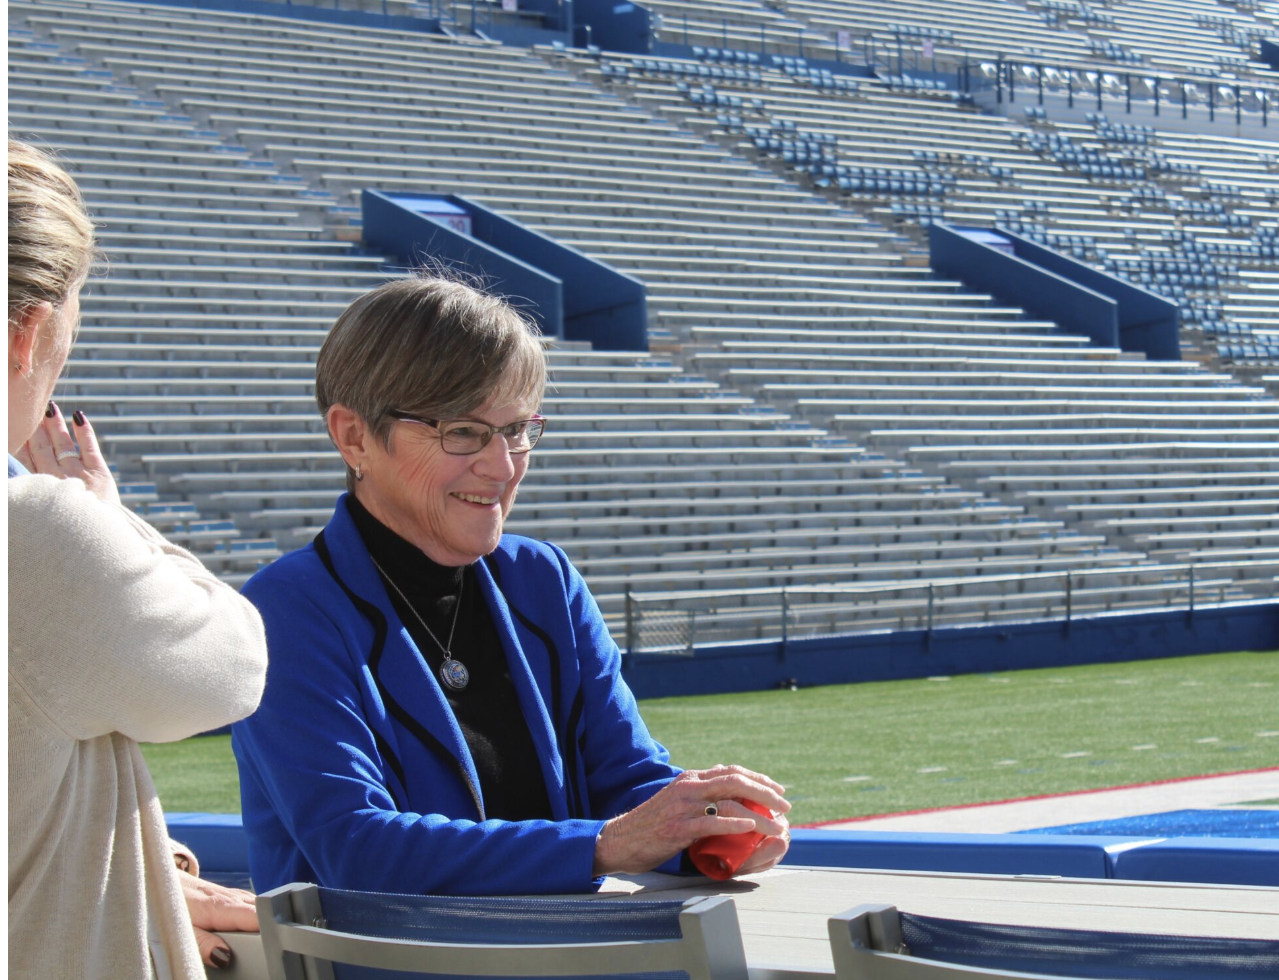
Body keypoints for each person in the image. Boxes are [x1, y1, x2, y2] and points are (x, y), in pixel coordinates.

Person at [232, 276, 791, 896]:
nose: (502, 467)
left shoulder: (543, 580)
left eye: (518, 429)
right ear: (354, 435)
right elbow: (357, 847)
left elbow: (625, 780)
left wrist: (709, 826)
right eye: (463, 432)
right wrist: (605, 846)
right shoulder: (282, 612)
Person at [8, 137, 270, 979]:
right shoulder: (36, 536)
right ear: (28, 330)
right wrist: (105, 517)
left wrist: (147, 863)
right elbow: (234, 666)